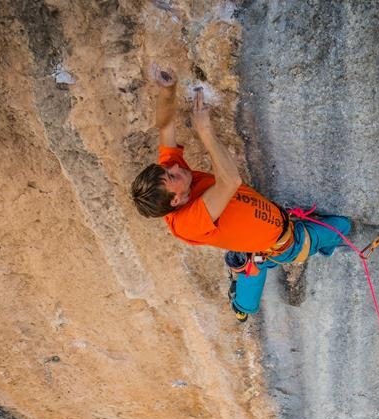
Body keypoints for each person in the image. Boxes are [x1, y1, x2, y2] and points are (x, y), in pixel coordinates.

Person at [131, 63, 352, 320]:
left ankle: (246, 265)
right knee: (342, 227)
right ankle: (241, 306)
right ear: (177, 200)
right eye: (172, 176)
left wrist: (168, 90)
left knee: (253, 261)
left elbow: (165, 127)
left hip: (256, 239)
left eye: (168, 169)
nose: (175, 167)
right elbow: (230, 182)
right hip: (283, 243)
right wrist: (205, 130)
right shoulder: (187, 222)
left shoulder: (170, 177)